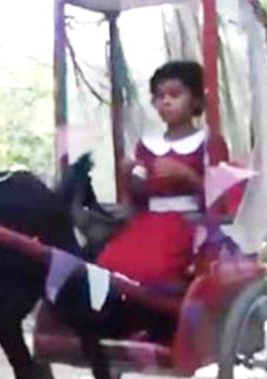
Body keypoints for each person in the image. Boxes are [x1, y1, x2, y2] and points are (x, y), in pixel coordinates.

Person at [96, 60, 230, 293]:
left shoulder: (209, 143)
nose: (166, 101)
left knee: (154, 268)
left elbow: (223, 198)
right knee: (109, 262)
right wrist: (128, 177)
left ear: (196, 100)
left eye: (175, 95)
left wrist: (188, 176)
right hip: (149, 221)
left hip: (189, 223)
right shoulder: (147, 145)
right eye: (159, 96)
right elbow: (139, 196)